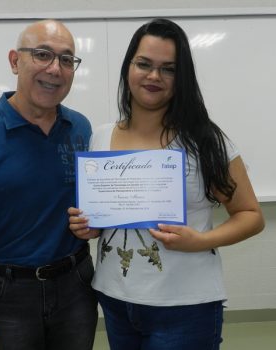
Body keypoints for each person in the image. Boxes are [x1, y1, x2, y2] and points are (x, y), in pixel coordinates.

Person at [68, 18, 264, 350]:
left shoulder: (205, 141)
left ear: (181, 77)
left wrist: (200, 241)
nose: (154, 76)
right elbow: (110, 217)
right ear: (128, 67)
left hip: (185, 306)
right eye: (144, 64)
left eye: (168, 69)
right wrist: (89, 225)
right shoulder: (100, 136)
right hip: (115, 298)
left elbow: (250, 215)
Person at [0, 20, 98, 350]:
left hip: (76, 287)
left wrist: (92, 224)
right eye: (43, 55)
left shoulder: (80, 127)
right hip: (6, 296)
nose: (55, 69)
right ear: (14, 61)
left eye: (67, 60)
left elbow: (87, 207)